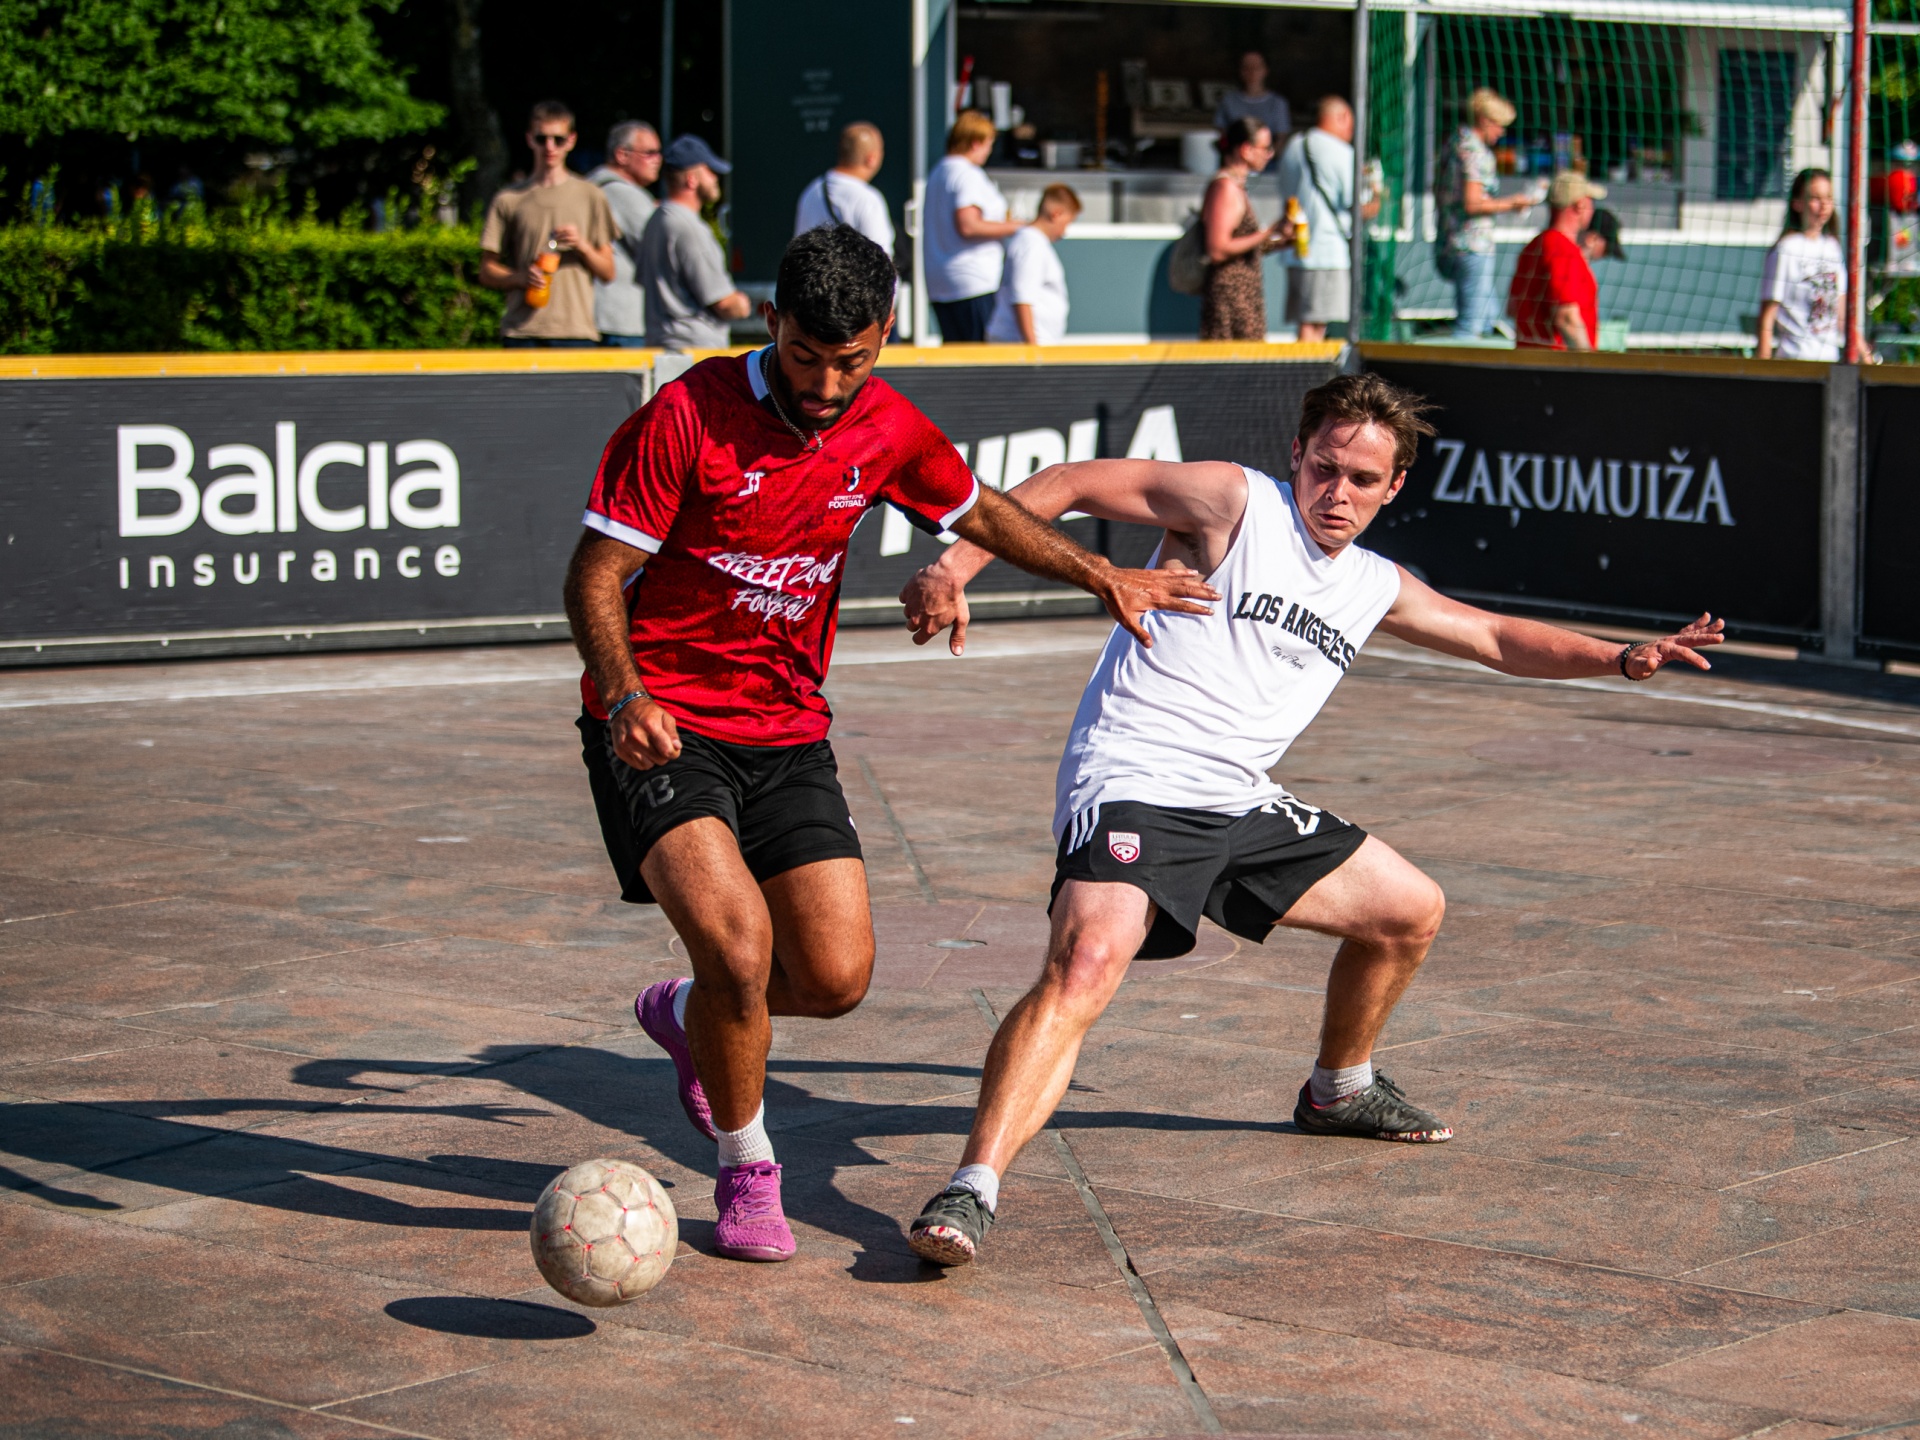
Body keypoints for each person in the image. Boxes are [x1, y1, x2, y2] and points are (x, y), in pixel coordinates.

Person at [893, 371, 1725, 1265]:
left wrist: (1620, 656)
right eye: (1324, 468)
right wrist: (953, 566)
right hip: (1137, 777)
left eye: (1362, 480)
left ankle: (1340, 1089)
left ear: (1393, 487)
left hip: (1240, 797)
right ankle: (973, 1186)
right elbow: (1067, 482)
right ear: (1297, 454)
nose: (1338, 493)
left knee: (1409, 911)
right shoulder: (1235, 504)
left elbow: (1492, 637)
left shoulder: (1373, 584)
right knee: (1088, 964)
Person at [563, 225, 1217, 1264]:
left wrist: (1102, 575)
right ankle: (746, 1166)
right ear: (770, 322)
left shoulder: (885, 423)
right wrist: (627, 693)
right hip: (663, 724)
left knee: (833, 980)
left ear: (884, 337)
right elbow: (594, 574)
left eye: (851, 361)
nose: (826, 385)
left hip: (788, 730)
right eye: (805, 356)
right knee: (739, 948)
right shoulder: (686, 415)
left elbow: (983, 512)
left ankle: (690, 1014)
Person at [480, 101, 619, 348]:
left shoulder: (591, 195)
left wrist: (582, 245)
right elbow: (487, 270)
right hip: (521, 331)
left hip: (575, 330)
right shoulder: (509, 198)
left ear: (571, 140)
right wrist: (521, 277)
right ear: (529, 139)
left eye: (558, 139)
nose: (550, 147)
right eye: (541, 139)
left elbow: (608, 271)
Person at [1435, 88, 1542, 339]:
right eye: (1499, 124)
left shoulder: (1453, 143)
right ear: (1484, 120)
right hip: (1472, 245)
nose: (1502, 132)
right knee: (1470, 326)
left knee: (1487, 318)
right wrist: (1512, 203)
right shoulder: (1475, 152)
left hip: (1449, 241)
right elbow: (1472, 203)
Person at [1277, 97, 1379, 343]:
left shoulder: (1294, 145)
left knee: (1309, 322)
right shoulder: (1341, 152)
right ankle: (1308, 368)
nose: (1352, 131)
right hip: (1325, 251)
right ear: (1342, 117)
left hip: (1297, 249)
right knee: (1313, 325)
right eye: (1351, 123)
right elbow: (1361, 208)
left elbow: (1285, 192)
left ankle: (1307, 366)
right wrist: (1377, 191)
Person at [640, 134, 753, 353]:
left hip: (661, 345)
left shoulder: (656, 220)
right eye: (710, 171)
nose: (716, 178)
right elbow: (723, 302)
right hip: (695, 350)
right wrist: (741, 304)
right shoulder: (689, 227)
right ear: (691, 179)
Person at [925, 111, 1023, 342]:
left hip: (942, 281)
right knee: (979, 356)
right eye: (989, 144)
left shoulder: (939, 171)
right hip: (973, 281)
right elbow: (968, 225)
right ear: (976, 143)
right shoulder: (967, 174)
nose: (989, 151)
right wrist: (1015, 227)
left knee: (956, 352)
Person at [1200, 118, 1290, 341]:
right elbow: (1218, 249)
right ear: (1246, 150)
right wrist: (1267, 232)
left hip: (1244, 297)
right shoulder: (1224, 188)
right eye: (1265, 148)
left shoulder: (1236, 187)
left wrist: (1279, 242)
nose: (1270, 154)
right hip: (1231, 299)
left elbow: (1241, 244)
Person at [1507, 171, 1606, 350]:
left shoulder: (1532, 247)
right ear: (1580, 205)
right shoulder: (1563, 249)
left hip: (1526, 357)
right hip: (1557, 361)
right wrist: (1589, 361)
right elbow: (1566, 318)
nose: (1592, 209)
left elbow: (1512, 308)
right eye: (1591, 202)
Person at [1758, 168, 1845, 361]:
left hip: (1830, 361)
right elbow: (1767, 314)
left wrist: (1864, 353)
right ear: (1797, 203)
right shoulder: (1786, 249)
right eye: (1815, 198)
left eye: (1828, 198)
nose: (1824, 205)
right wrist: (1762, 366)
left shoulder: (1832, 247)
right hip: (1795, 359)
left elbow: (1842, 312)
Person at [589, 121, 662, 348]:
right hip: (621, 322)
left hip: (599, 317)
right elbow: (661, 247)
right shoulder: (621, 193)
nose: (658, 160)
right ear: (622, 155)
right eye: (650, 153)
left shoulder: (591, 187)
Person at [986, 184, 1080, 345]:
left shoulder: (1032, 242)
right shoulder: (1031, 243)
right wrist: (1032, 347)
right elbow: (1022, 298)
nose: (1065, 231)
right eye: (1067, 223)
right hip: (1021, 344)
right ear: (1056, 214)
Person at [795, 122, 895, 256]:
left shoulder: (811, 191)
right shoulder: (868, 199)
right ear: (872, 158)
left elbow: (799, 250)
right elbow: (881, 259)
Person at [1214, 52, 1291, 169]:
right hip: (1236, 164)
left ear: (1265, 70)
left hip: (1269, 166)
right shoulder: (1228, 101)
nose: (1252, 72)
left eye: (1257, 67)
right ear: (1240, 71)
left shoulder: (1278, 103)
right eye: (1247, 68)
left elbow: (1281, 139)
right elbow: (1221, 135)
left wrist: (1263, 158)